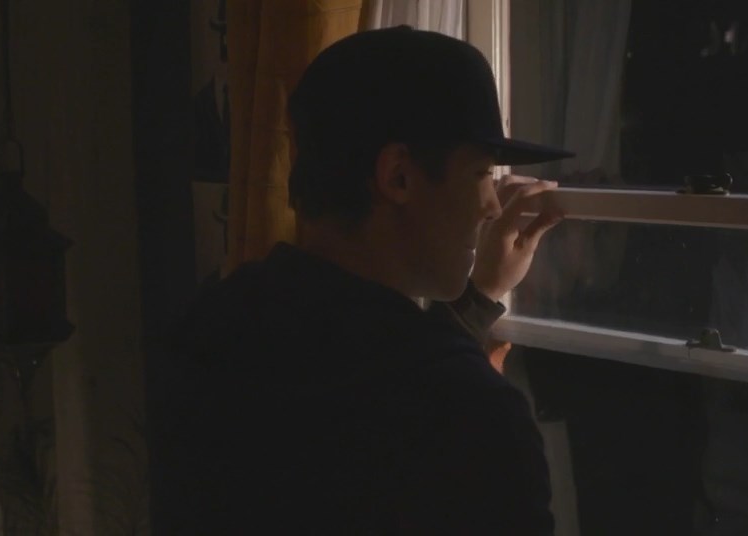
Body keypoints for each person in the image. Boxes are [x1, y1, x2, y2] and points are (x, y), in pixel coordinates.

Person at [162, 26, 573, 535]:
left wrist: (477, 302)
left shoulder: (214, 325)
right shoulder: (469, 411)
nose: (492, 206)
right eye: (481, 174)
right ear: (398, 176)